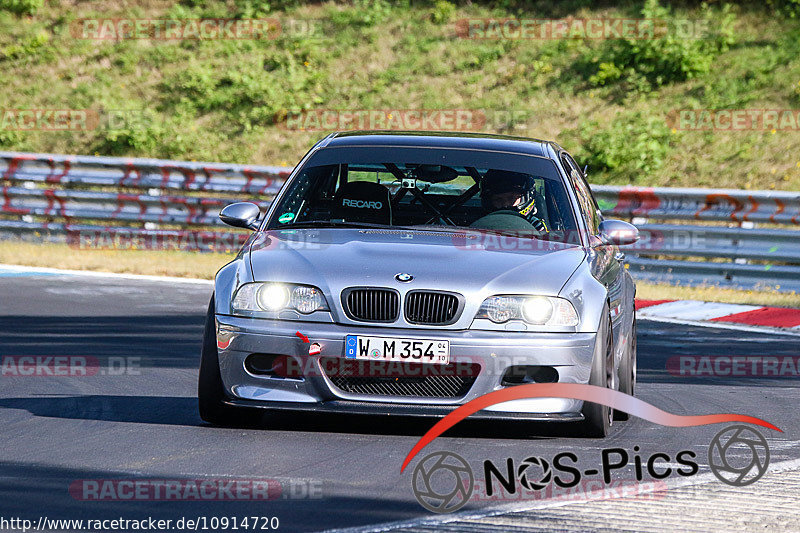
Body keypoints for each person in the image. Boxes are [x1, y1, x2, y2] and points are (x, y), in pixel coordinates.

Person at [470, 169, 547, 232]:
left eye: (511, 198)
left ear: (527, 197)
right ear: (489, 202)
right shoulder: (479, 225)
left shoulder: (537, 227)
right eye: (498, 199)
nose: (505, 204)